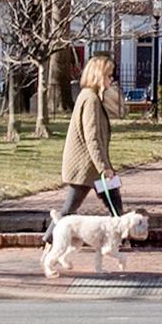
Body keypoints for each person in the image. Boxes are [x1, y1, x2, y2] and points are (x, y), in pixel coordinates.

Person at [59, 53, 123, 222]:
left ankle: (123, 238)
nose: (112, 80)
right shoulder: (91, 99)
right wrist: (104, 168)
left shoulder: (91, 96)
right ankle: (50, 240)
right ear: (99, 76)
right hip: (85, 167)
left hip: (92, 166)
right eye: (109, 76)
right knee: (69, 209)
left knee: (114, 200)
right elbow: (92, 137)